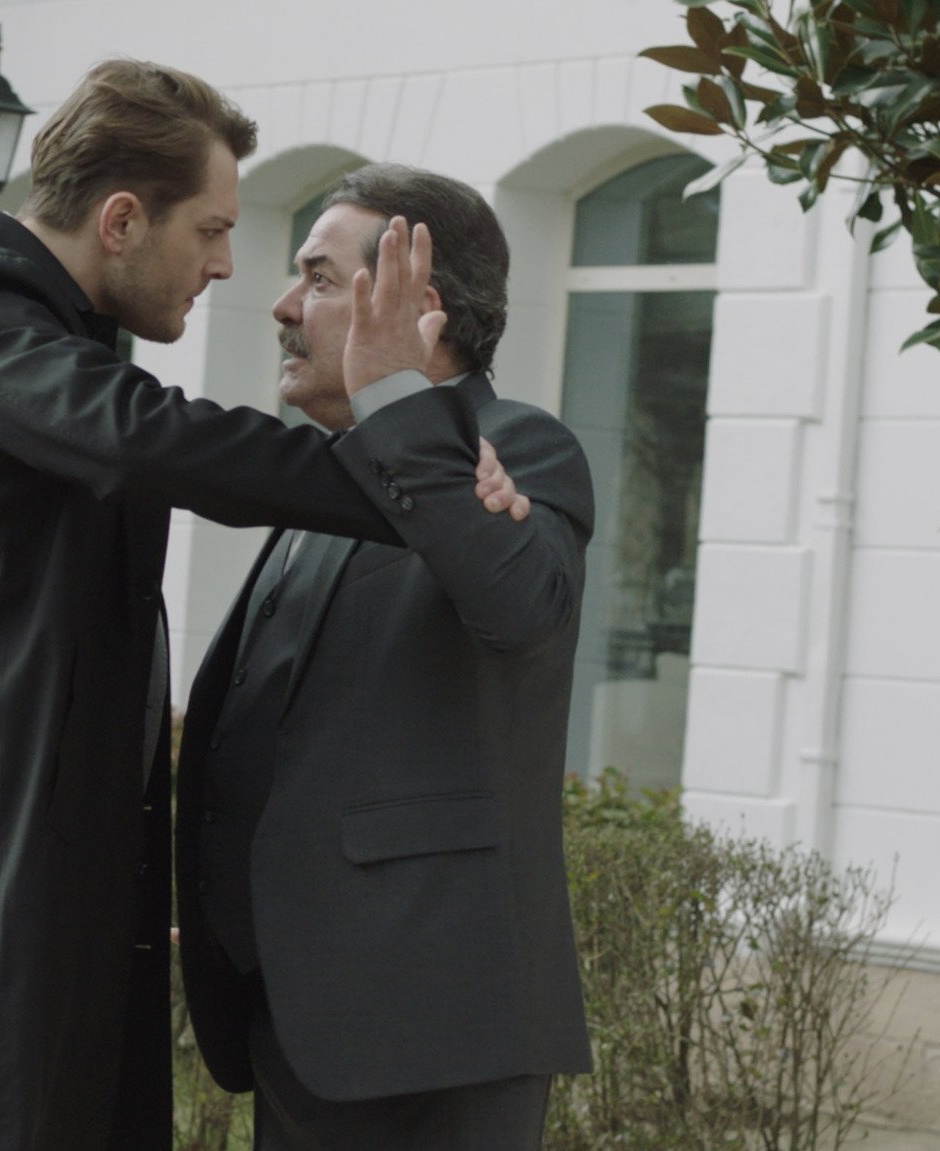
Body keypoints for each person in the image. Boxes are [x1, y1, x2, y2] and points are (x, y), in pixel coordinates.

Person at [0, 66, 525, 1151]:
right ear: (120, 221)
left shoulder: (49, 326)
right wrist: (420, 474)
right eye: (212, 229)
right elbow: (152, 438)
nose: (225, 265)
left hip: (23, 900)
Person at [174, 163, 597, 1150]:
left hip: (433, 1029)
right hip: (302, 1017)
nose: (283, 305)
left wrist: (399, 401)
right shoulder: (331, 472)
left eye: (318, 278)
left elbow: (520, 608)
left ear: (418, 309)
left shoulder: (522, 448)